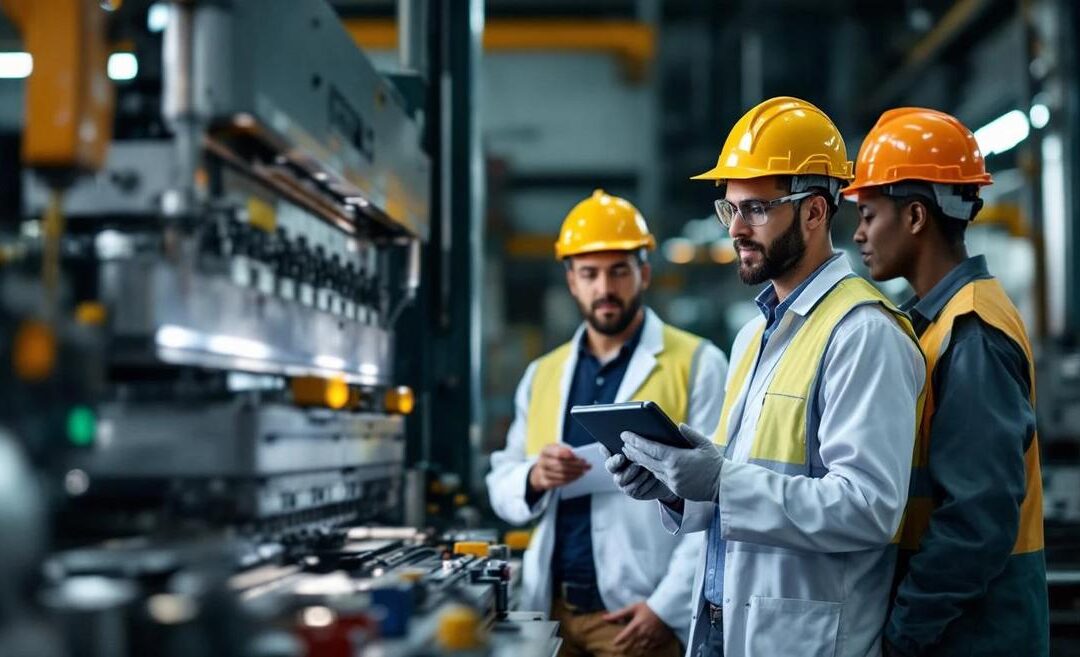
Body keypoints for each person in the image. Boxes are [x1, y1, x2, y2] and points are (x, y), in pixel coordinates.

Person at [604, 97, 926, 657]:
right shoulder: (754, 335)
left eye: (756, 209)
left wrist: (720, 483)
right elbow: (753, 474)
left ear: (815, 212)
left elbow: (869, 509)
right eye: (730, 210)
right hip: (722, 623)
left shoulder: (862, 333)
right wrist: (682, 490)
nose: (737, 230)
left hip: (804, 637)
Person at [486, 189, 728, 657]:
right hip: (551, 609)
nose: (605, 288)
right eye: (589, 274)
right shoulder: (543, 374)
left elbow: (716, 504)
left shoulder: (698, 362)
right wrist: (534, 477)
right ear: (571, 281)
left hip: (637, 615)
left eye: (619, 270)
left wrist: (666, 608)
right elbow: (502, 478)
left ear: (644, 273)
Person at [845, 107, 1048, 657]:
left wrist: (900, 634)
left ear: (915, 216)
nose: (859, 234)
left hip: (974, 632)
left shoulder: (971, 331)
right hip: (954, 622)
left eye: (868, 213)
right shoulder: (936, 323)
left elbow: (977, 523)